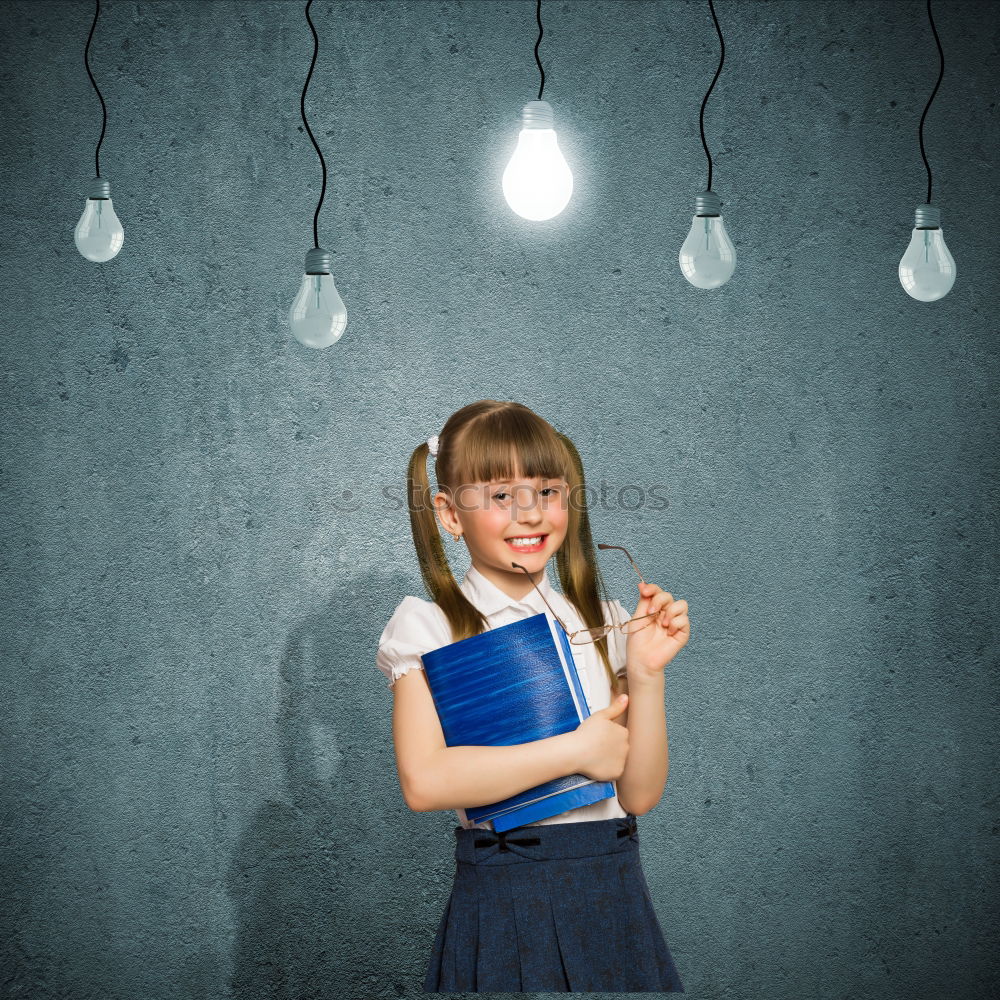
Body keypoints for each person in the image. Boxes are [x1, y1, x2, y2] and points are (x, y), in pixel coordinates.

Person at [376, 400, 690, 992]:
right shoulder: (434, 626)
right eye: (500, 496)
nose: (530, 513)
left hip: (614, 886)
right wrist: (574, 751)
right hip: (507, 891)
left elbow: (640, 795)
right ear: (449, 513)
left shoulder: (608, 620)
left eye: (546, 491)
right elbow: (426, 782)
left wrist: (647, 675)